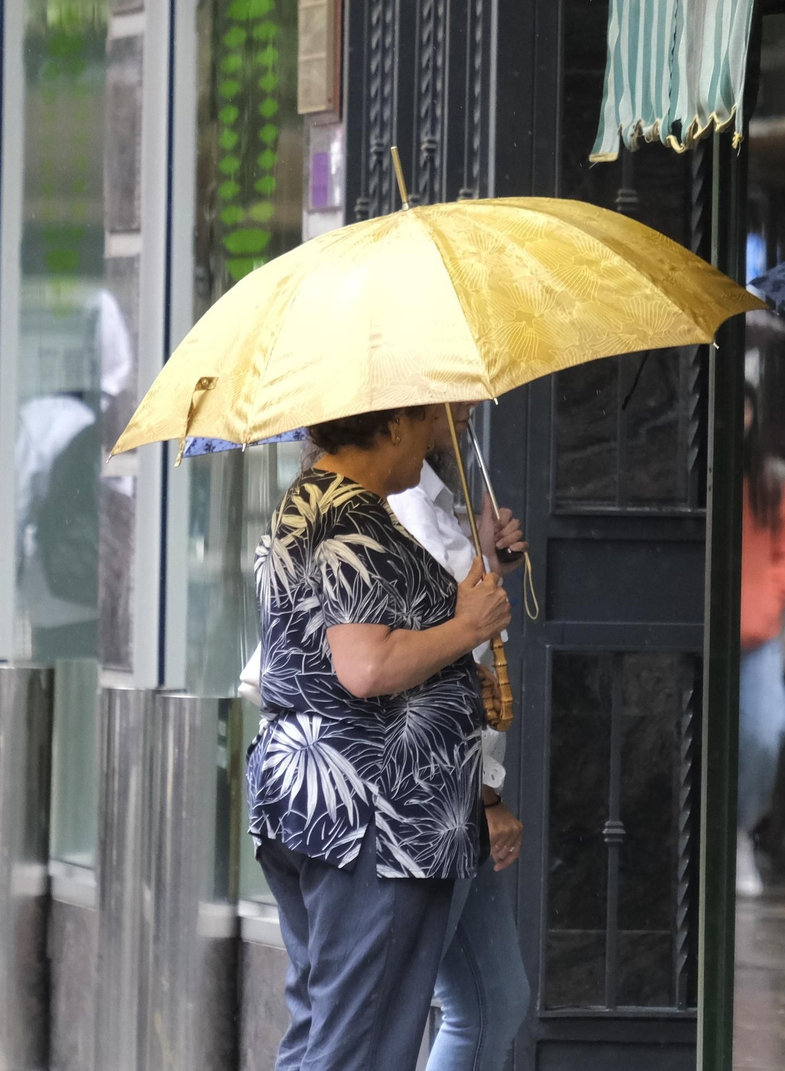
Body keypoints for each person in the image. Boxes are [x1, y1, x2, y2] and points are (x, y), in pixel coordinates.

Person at [248, 404, 511, 1071]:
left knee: (326, 1032)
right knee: (360, 1043)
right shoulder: (352, 516)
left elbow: (341, 655)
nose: (427, 449)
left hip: (321, 805)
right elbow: (365, 667)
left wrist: (453, 666)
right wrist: (467, 632)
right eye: (425, 430)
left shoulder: (312, 502)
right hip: (376, 817)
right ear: (394, 425)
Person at [395, 404, 531, 1071]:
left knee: (494, 999)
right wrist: (484, 795)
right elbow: (431, 673)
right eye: (456, 395)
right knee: (399, 1011)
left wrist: (486, 559)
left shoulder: (435, 496)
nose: (472, 407)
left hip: (457, 797)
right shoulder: (403, 508)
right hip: (440, 799)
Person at [736, 389, 785, 898]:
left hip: (755, 636)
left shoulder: (770, 478)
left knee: (766, 730)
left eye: (746, 405)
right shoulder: (694, 473)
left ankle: (739, 832)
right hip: (708, 632)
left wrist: (767, 601)